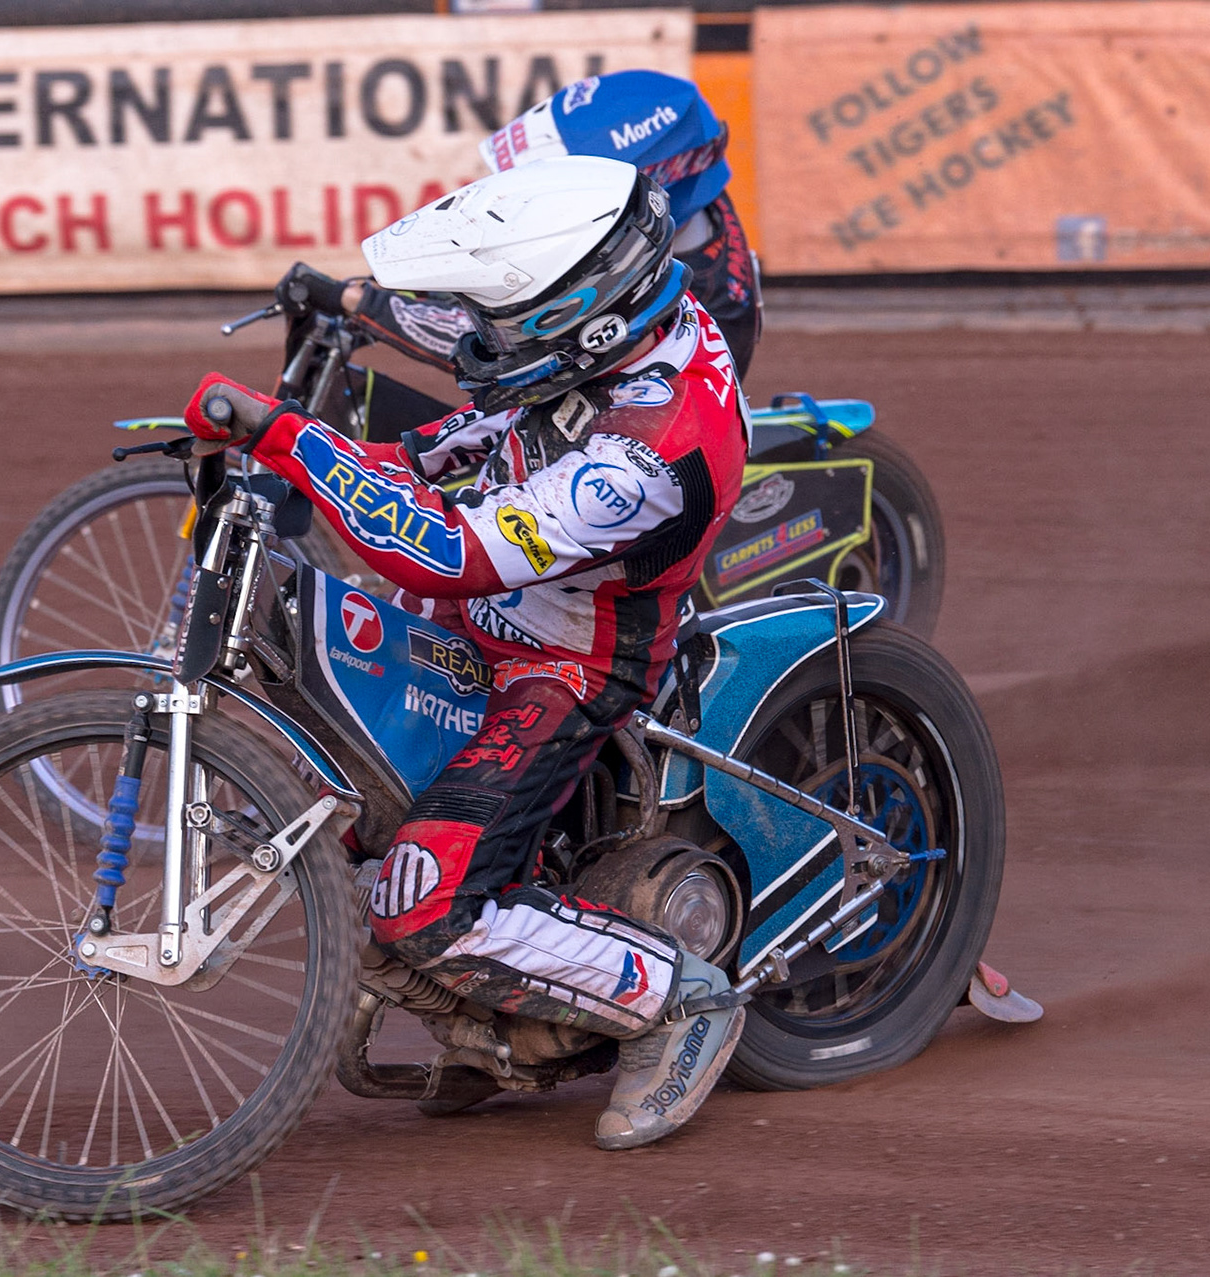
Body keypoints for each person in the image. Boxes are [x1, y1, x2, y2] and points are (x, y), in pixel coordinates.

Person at [183, 155, 750, 1150]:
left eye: (502, 320)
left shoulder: (654, 443)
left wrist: (289, 439)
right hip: (481, 620)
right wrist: (289, 452)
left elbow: (452, 549)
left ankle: (681, 999)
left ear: (587, 317)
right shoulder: (596, 350)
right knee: (341, 798)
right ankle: (498, 1015)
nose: (476, 338)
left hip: (571, 661)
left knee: (423, 898)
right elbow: (441, 457)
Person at [275, 69, 761, 443]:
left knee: (443, 484)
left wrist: (362, 303)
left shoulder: (675, 285)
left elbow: (513, 345)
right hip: (610, 389)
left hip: (609, 431)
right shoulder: (680, 211)